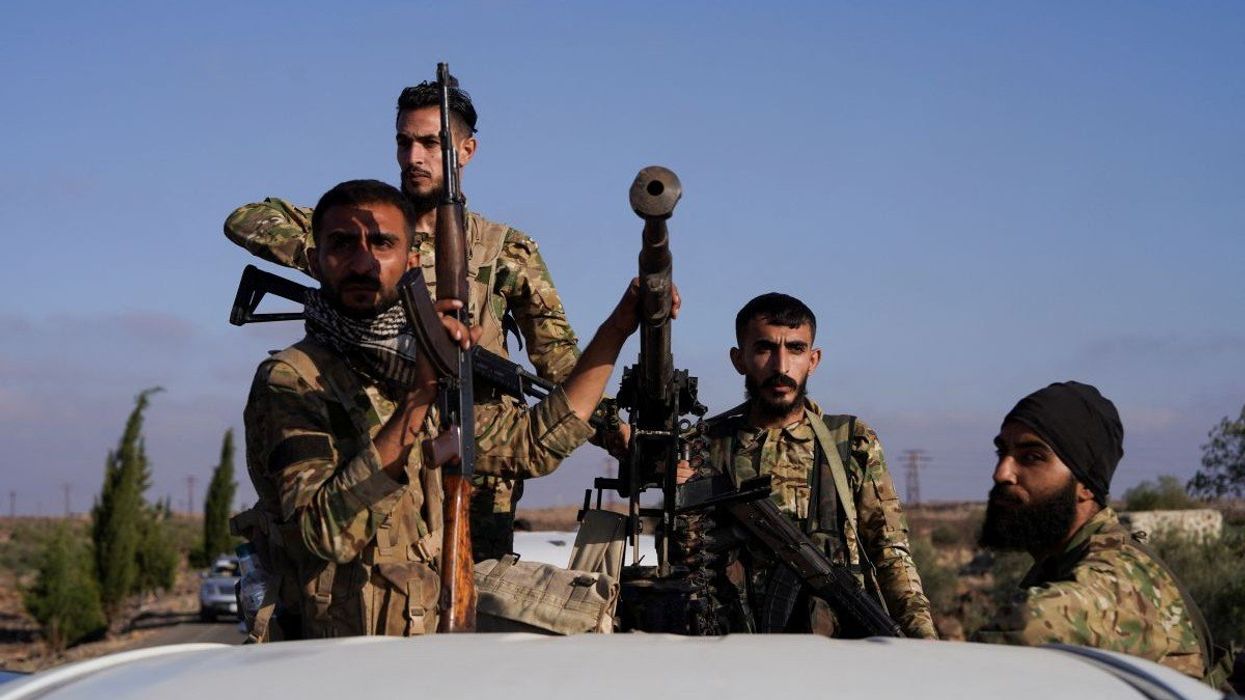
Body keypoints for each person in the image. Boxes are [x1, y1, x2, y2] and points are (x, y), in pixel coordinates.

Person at [241, 179, 652, 638]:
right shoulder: (293, 379)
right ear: (315, 261)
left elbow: (535, 443)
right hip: (332, 650)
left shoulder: (414, 369)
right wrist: (420, 395)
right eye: (341, 245)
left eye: (382, 244)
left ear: (411, 262)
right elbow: (323, 535)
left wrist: (618, 327)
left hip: (423, 642)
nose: (363, 262)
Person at [225, 79, 587, 559]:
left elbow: (558, 358)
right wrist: (332, 255)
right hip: (372, 440)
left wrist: (612, 430)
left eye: (430, 143)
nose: (414, 157)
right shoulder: (363, 228)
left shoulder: (507, 250)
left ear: (466, 150)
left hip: (478, 459)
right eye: (404, 142)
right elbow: (246, 217)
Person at [683, 293, 936, 638]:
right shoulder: (704, 445)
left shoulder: (849, 441)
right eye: (765, 349)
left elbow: (891, 552)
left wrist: (924, 640)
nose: (781, 366)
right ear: (738, 359)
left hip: (835, 648)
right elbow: (683, 558)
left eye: (796, 349)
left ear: (813, 360)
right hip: (732, 645)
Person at [971, 381, 1210, 679]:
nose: (1002, 473)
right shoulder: (1062, 561)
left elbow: (1030, 624)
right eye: (1001, 452)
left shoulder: (1116, 578)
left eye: (1031, 457)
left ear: (1085, 484)